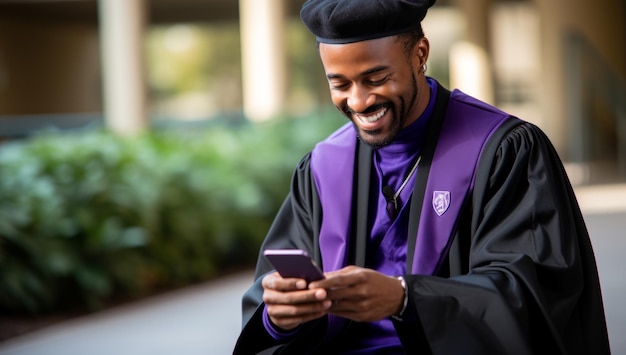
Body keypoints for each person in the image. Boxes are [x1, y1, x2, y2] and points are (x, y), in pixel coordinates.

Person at [233, 0, 611, 353]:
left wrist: (405, 299)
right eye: (340, 84)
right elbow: (266, 301)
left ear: (420, 54)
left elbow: (534, 295)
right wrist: (279, 317)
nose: (360, 101)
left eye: (376, 77)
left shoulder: (505, 151)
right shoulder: (322, 168)